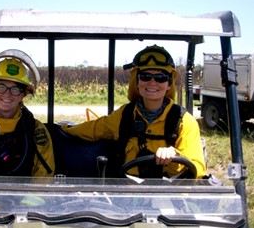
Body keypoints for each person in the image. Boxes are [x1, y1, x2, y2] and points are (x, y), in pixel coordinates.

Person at [63, 45, 206, 178]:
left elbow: (198, 168)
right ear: (137, 82)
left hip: (167, 194)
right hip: (127, 193)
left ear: (169, 84)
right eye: (145, 76)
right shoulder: (124, 115)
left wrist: (174, 156)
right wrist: (60, 129)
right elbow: (94, 129)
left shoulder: (184, 121)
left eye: (160, 77)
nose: (152, 82)